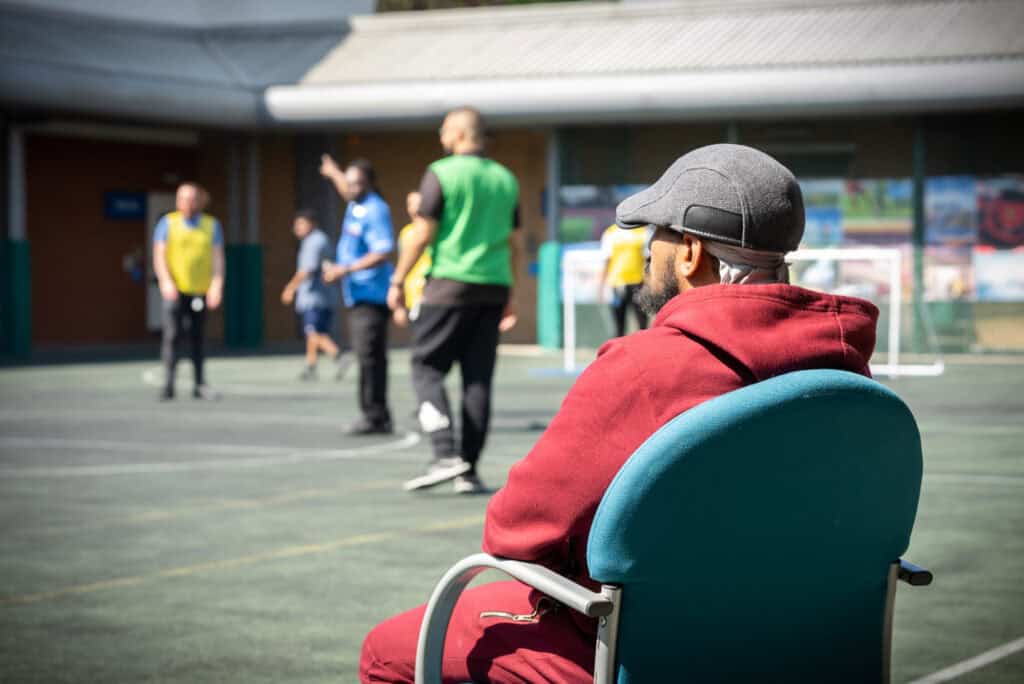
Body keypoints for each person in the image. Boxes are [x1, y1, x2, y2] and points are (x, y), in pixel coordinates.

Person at [360, 144, 881, 683]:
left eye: (656, 235)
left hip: (644, 650)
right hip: (802, 646)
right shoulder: (845, 375)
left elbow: (516, 533)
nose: (648, 252)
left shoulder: (643, 368)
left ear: (689, 254)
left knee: (386, 650)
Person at [387, 107, 523, 495]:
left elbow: (421, 233)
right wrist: (511, 293)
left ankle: (445, 452)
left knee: (426, 369)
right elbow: (515, 243)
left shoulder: (442, 172)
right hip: (493, 287)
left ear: (461, 133)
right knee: (477, 379)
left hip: (448, 286)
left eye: (445, 129)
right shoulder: (506, 179)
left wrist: (397, 280)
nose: (441, 135)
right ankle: (469, 471)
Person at [320, 155, 396, 435]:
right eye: (349, 184)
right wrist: (333, 173)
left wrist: (345, 269)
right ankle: (376, 414)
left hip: (371, 295)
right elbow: (346, 186)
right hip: (358, 295)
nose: (351, 188)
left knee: (369, 358)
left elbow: (383, 250)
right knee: (368, 356)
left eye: (357, 184)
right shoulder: (357, 203)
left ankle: (374, 415)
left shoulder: (375, 210)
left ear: (370, 183)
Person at [152, 182, 224, 401]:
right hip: (176, 290)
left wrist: (216, 285)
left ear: (199, 200)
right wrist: (165, 281)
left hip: (200, 291)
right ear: (177, 201)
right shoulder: (167, 223)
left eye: (192, 198)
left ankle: (199, 384)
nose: (187, 203)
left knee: (198, 338)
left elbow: (218, 258)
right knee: (172, 336)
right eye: (183, 198)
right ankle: (169, 384)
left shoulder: (212, 225)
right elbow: (159, 255)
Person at [280, 209, 351, 381]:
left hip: (316, 297)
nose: (297, 228)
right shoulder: (319, 240)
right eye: (296, 224)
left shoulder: (314, 242)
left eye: (302, 224)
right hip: (324, 296)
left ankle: (339, 356)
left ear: (312, 224)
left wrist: (290, 288)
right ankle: (311, 366)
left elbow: (306, 270)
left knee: (314, 332)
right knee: (314, 332)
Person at [598, 222, 652, 337]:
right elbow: (607, 261)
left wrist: (650, 284)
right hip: (617, 284)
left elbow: (649, 261)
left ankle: (642, 352)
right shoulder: (610, 232)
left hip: (639, 284)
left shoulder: (644, 232)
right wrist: (601, 286)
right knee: (619, 326)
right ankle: (619, 353)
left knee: (642, 324)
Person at [391, 191, 431, 329]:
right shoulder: (405, 233)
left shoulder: (436, 230)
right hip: (412, 298)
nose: (416, 207)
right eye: (411, 204)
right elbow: (401, 266)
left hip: (432, 295)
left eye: (419, 203)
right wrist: (399, 305)